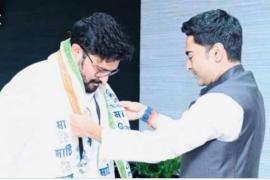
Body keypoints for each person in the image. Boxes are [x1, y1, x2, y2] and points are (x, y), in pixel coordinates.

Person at [70, 9, 265, 178]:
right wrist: (148, 115)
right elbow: (191, 132)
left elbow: (161, 146)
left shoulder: (221, 102)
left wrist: (94, 131)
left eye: (190, 55)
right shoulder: (247, 89)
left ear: (216, 52)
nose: (188, 66)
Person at [0, 12, 134, 178]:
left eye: (111, 72)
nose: (105, 80)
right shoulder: (29, 85)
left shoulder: (103, 92)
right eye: (100, 70)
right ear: (77, 51)